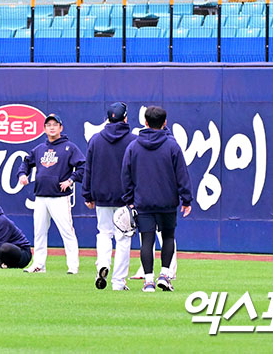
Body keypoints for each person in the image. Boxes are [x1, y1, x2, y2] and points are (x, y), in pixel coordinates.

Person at [121, 104, 193, 292]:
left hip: (143, 201)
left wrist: (129, 198)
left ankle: (148, 281)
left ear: (145, 122)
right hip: (167, 201)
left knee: (147, 240)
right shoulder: (172, 145)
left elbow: (126, 175)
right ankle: (165, 275)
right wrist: (186, 199)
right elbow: (182, 175)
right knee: (168, 237)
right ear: (165, 123)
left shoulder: (134, 146)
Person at [18, 112, 85, 275]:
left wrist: (71, 180)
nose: (52, 127)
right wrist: (22, 174)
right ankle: (39, 264)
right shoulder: (40, 149)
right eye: (48, 125)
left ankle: (73, 266)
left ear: (61, 127)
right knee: (39, 231)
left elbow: (83, 166)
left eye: (55, 125)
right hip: (41, 196)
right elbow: (26, 162)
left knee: (67, 231)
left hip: (60, 197)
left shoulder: (69, 147)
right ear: (44, 129)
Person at [82, 101, 135, 291]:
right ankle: (118, 281)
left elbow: (88, 169)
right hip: (125, 197)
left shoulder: (96, 140)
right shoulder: (132, 140)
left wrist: (87, 194)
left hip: (102, 195)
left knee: (104, 233)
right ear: (126, 117)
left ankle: (103, 264)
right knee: (123, 238)